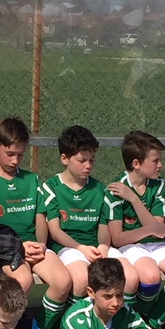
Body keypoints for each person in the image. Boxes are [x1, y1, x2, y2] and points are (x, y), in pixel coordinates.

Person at [0, 115, 72, 329]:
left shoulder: (32, 180)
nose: (15, 161)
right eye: (10, 154)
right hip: (5, 251)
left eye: (20, 154)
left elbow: (40, 216)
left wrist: (41, 244)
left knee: (63, 281)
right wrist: (17, 248)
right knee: (22, 282)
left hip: (33, 247)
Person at [104, 129, 165, 329]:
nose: (160, 165)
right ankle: (135, 325)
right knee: (150, 276)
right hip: (131, 246)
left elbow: (159, 230)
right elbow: (118, 238)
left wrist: (134, 199)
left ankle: (150, 324)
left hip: (158, 244)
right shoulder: (116, 190)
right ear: (136, 163)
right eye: (155, 161)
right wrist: (150, 227)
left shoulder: (160, 186)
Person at [37, 125, 109, 306]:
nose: (88, 165)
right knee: (82, 279)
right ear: (64, 158)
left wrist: (103, 248)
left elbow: (103, 227)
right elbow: (55, 231)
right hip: (67, 248)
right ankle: (63, 328)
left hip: (96, 249)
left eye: (92, 160)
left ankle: (142, 324)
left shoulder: (100, 188)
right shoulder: (51, 187)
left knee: (128, 277)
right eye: (82, 160)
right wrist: (81, 248)